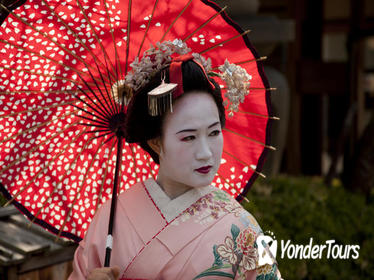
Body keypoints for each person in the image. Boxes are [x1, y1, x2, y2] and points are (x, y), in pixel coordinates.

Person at [69, 47, 281, 279]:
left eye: (213, 133)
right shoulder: (112, 217)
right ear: (155, 142)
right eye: (189, 137)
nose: (205, 153)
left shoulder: (241, 228)